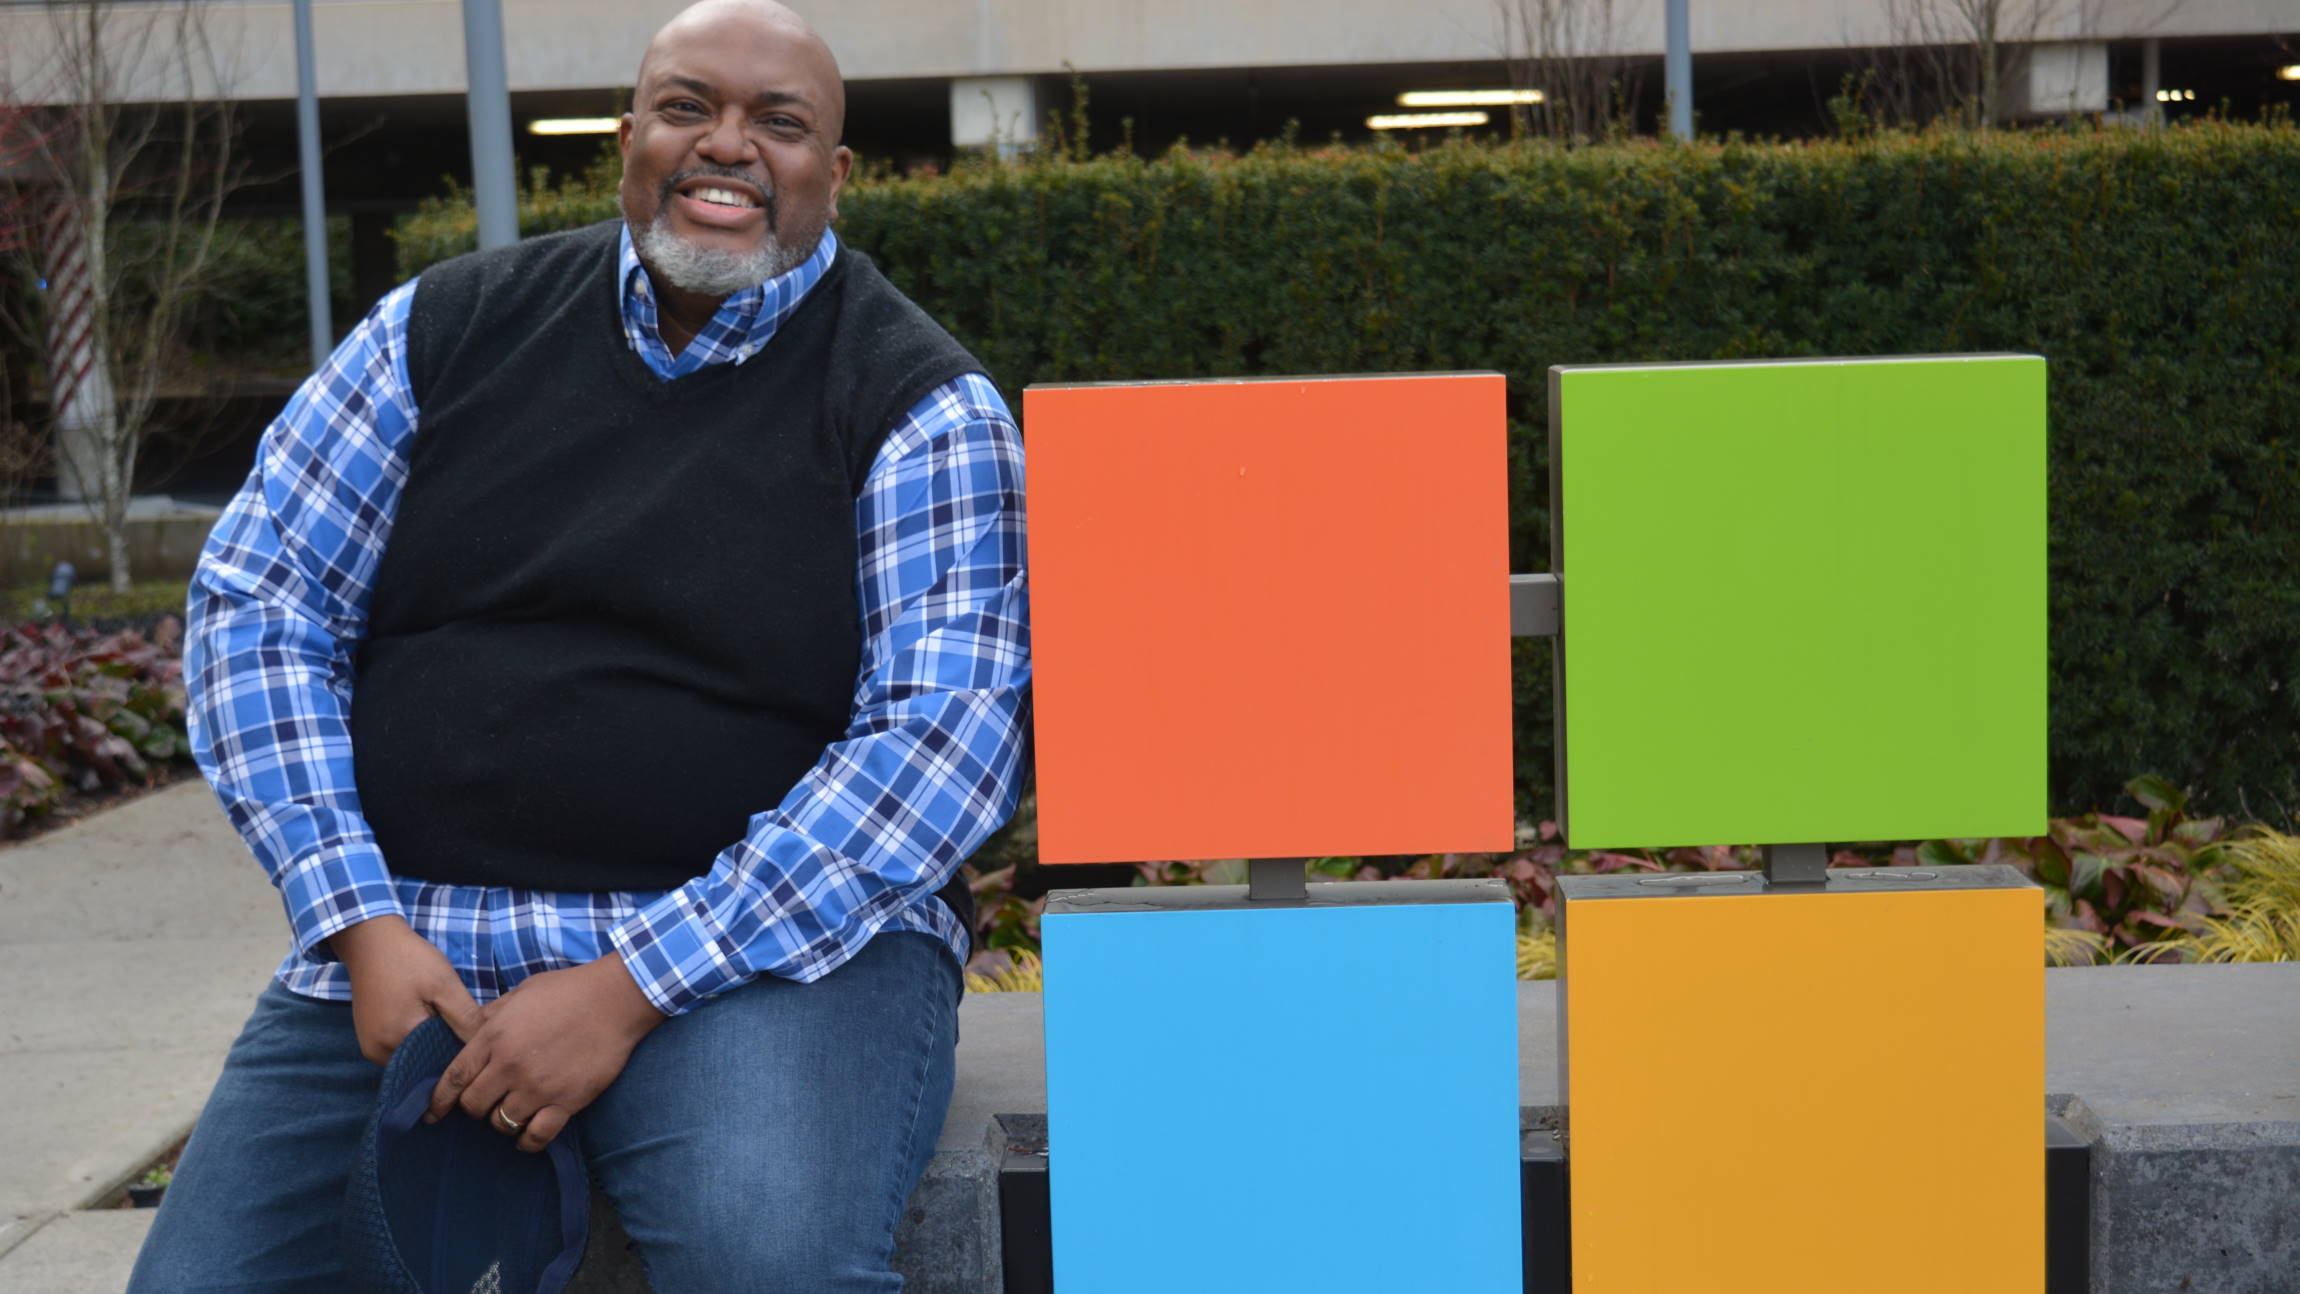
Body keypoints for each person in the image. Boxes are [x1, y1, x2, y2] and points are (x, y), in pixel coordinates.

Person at [127, 0, 1028, 1288]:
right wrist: (353, 916)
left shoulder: (922, 405)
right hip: (419, 935)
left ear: (835, 175)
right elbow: (261, 603)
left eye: (779, 123)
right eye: (687, 107)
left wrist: (625, 987)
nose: (728, 145)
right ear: (627, 141)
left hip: (771, 960)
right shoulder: (438, 331)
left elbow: (939, 749)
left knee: (766, 1265)